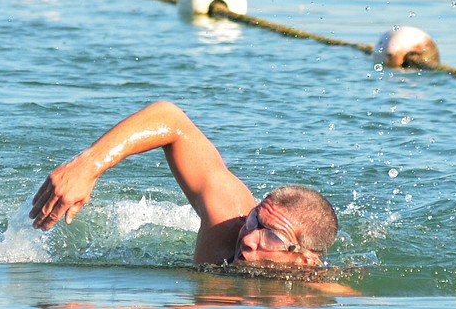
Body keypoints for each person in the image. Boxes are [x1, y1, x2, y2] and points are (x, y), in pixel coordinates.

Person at [29, 101, 338, 268]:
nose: (247, 239)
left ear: (306, 259)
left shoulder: (315, 294)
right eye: (256, 219)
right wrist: (88, 165)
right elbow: (172, 120)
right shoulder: (229, 223)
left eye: (270, 237)